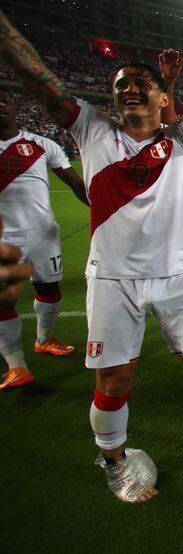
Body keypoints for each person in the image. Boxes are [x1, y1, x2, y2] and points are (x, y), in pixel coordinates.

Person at [0, 5, 183, 501]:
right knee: (115, 378)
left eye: (140, 83)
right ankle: (112, 459)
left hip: (177, 275)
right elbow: (36, 76)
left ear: (162, 98)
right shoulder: (91, 129)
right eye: (120, 83)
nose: (128, 88)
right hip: (112, 279)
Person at [0, 90, 89, 390]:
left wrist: (106, 208)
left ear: (15, 108)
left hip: (43, 234)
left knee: (49, 289)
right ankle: (16, 366)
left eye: (5, 102)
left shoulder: (41, 145)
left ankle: (45, 339)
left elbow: (75, 183)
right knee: (5, 299)